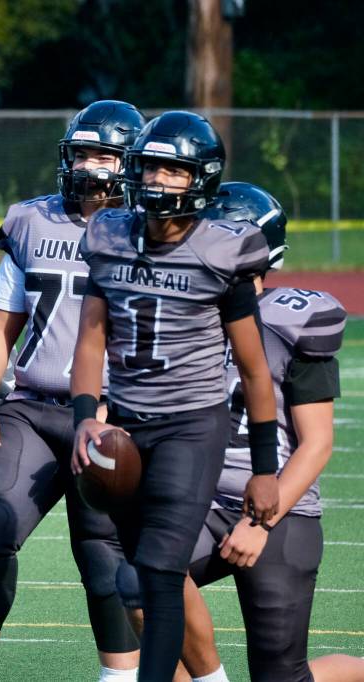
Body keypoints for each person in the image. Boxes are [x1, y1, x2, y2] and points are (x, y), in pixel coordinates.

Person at [69, 112, 280, 681]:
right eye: (151, 167)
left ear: (201, 179)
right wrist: (86, 418)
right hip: (128, 427)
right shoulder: (108, 236)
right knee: (138, 575)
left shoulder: (224, 250)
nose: (158, 180)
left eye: (174, 169)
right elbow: (90, 342)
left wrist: (265, 470)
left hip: (192, 427)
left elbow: (255, 371)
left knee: (160, 570)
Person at [0, 100, 145, 682]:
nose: (88, 164)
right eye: (81, 151)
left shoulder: (153, 229)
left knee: (104, 553)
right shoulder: (32, 221)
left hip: (116, 413)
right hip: (32, 408)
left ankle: (119, 676)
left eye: (103, 154)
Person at [159, 183, 362, 682]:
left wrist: (259, 523)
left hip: (279, 514)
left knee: (281, 676)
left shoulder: (288, 323)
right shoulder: (181, 314)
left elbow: (317, 444)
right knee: (141, 581)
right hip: (201, 505)